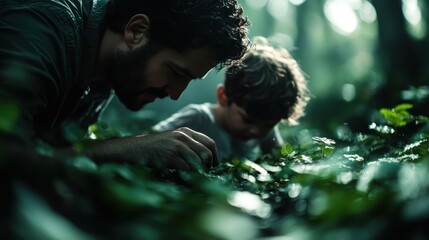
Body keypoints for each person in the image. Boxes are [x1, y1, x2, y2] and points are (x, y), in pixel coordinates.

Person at [0, 0, 249, 172]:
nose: (175, 94)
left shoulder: (106, 70)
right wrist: (117, 150)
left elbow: (52, 152)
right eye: (175, 72)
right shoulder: (42, 28)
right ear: (136, 31)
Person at [153, 37, 310, 161]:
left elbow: (281, 159)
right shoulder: (198, 118)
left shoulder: (264, 130)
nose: (256, 130)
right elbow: (152, 141)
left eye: (268, 125)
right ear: (223, 96)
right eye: (247, 119)